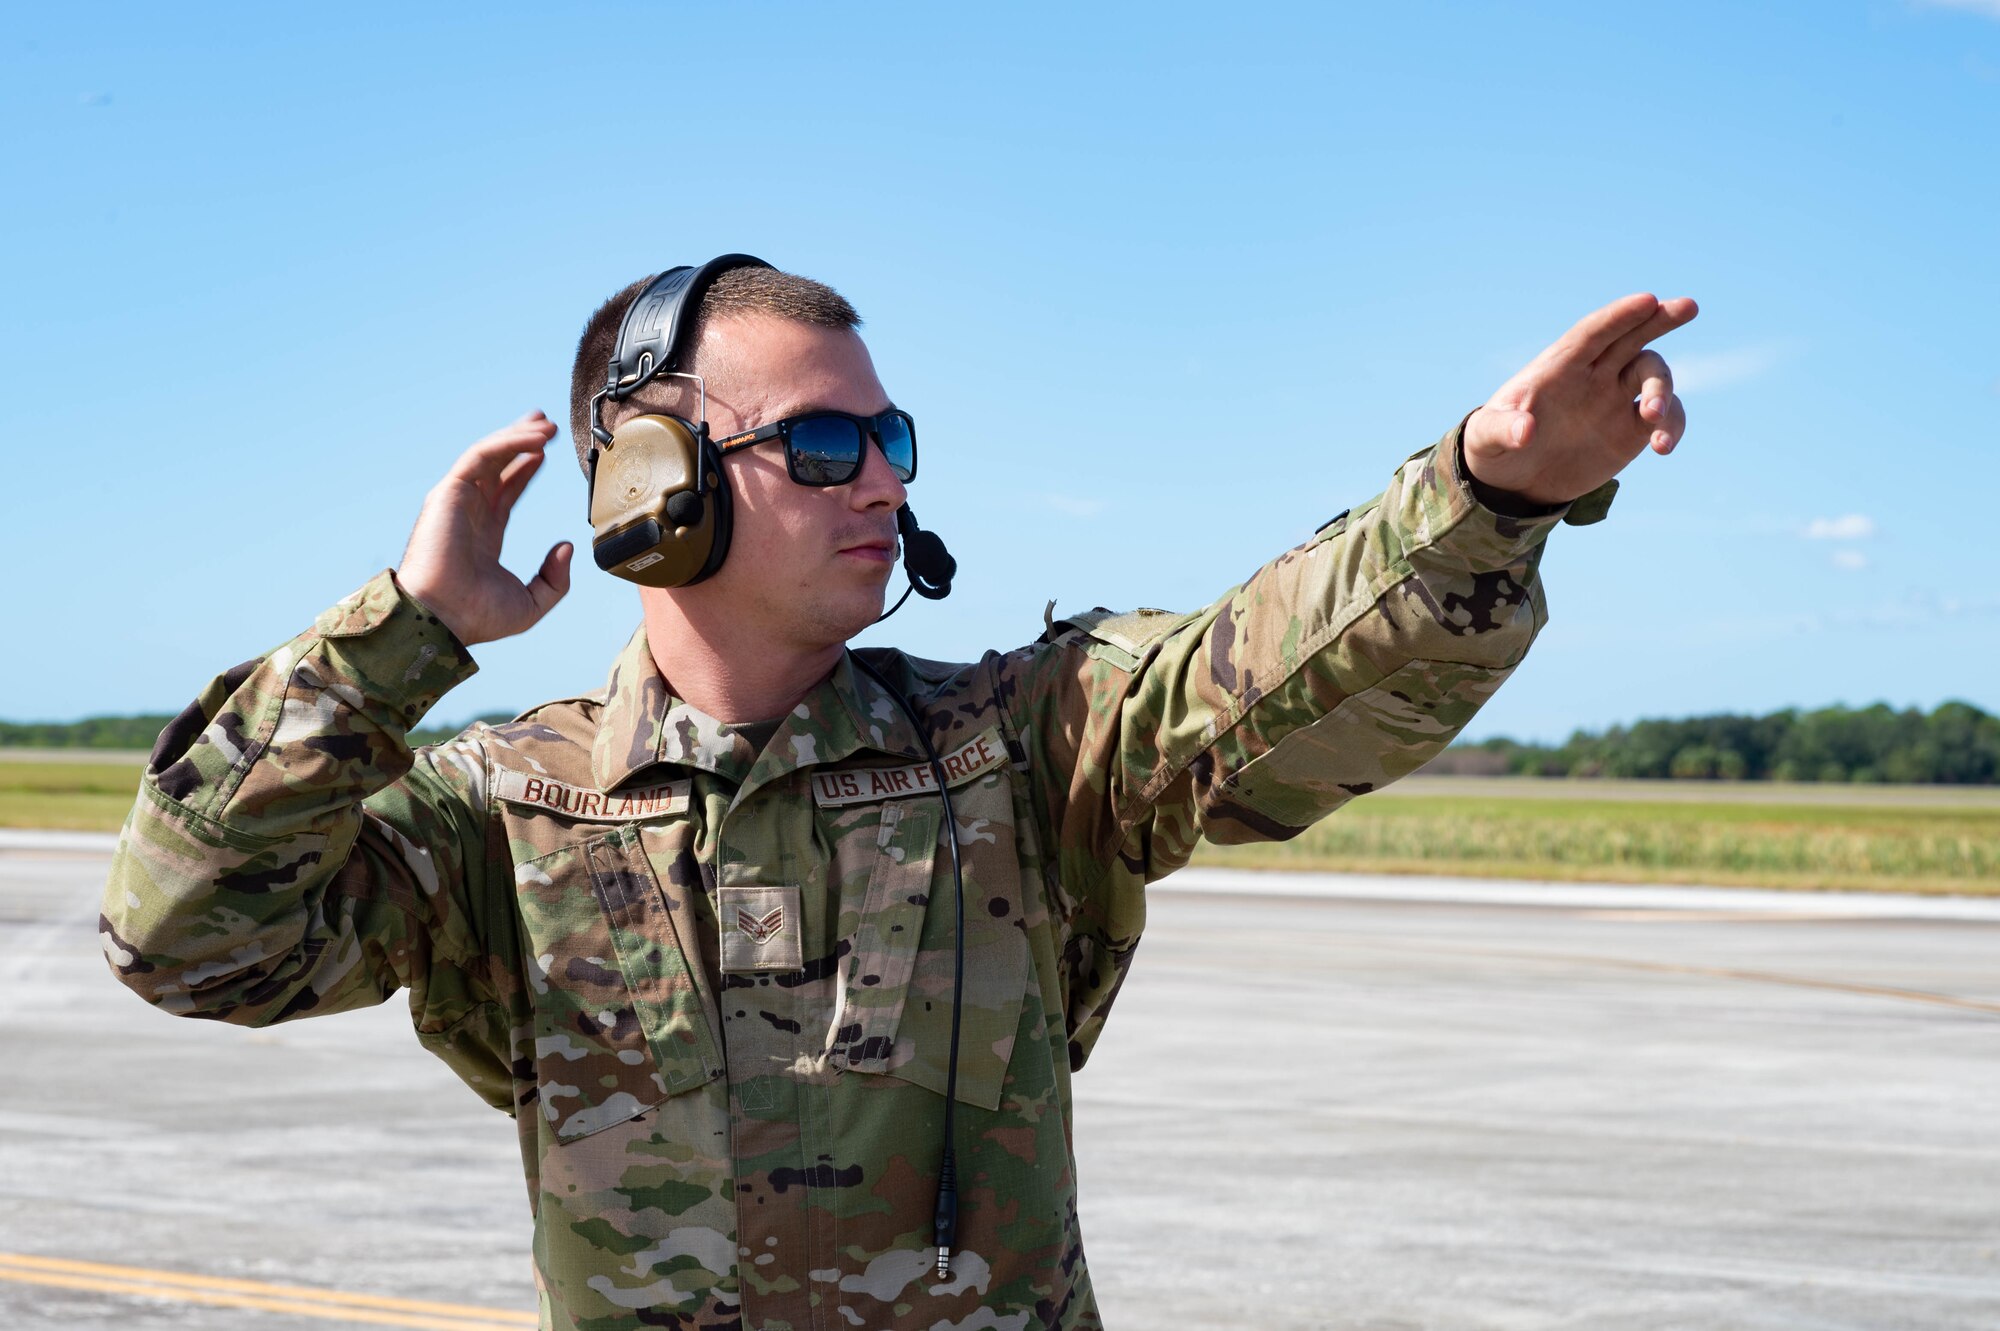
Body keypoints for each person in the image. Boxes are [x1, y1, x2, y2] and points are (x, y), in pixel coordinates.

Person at [102, 258, 1694, 1331]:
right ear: (652, 485)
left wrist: (1483, 500)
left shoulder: (1020, 744)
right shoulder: (505, 810)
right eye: (823, 440)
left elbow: (1267, 673)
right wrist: (406, 636)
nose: (885, 477)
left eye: (892, 435)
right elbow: (185, 940)